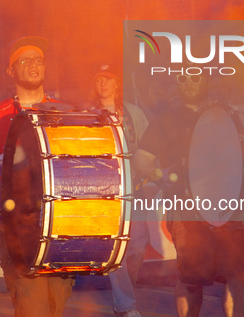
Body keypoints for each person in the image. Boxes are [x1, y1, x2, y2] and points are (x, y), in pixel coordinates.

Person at [0, 36, 73, 317]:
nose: (34, 65)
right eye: (25, 60)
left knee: (55, 308)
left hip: (60, 228)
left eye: (39, 60)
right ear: (11, 71)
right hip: (16, 230)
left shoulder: (66, 113)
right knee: (32, 309)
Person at [133, 72, 244, 317]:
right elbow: (141, 159)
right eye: (182, 78)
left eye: (195, 77)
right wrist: (160, 176)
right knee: (190, 278)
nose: (188, 83)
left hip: (233, 210)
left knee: (238, 276)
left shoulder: (228, 116)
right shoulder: (166, 119)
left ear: (207, 81)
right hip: (187, 213)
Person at [87, 64, 149, 317]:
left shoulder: (133, 114)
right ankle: (125, 305)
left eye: (108, 79)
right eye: (98, 79)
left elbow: (148, 148)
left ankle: (126, 293)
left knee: (137, 248)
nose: (103, 84)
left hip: (135, 188)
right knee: (117, 248)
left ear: (116, 84)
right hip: (106, 191)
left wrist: (152, 179)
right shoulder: (87, 114)